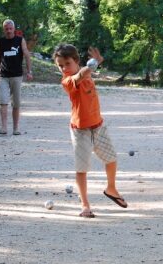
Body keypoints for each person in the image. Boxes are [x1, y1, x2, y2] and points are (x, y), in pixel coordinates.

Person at [53, 44, 128, 218]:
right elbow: (79, 76)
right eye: (60, 65)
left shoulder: (85, 72)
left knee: (111, 159)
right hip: (80, 130)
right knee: (82, 169)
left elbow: (85, 73)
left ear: (76, 61)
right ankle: (85, 205)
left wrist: (96, 62)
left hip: (98, 126)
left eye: (67, 63)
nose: (64, 68)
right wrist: (91, 65)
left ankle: (111, 188)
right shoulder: (67, 80)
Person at [0, 19, 33, 135]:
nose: (9, 31)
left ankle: (16, 128)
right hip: (3, 75)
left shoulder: (20, 40)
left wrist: (29, 71)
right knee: (3, 101)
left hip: (16, 75)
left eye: (10, 29)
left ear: (14, 29)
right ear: (4, 30)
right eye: (6, 29)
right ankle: (4, 127)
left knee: (16, 103)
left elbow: (27, 55)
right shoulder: (1, 42)